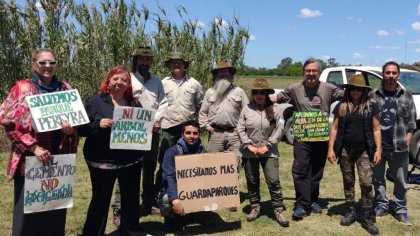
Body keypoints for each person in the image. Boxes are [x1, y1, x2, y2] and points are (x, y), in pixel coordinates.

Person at [0, 48, 78, 236]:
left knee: (55, 209)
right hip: (30, 159)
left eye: (52, 62)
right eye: (43, 62)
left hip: (58, 158)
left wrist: (70, 130)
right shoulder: (22, 89)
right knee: (28, 212)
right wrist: (33, 148)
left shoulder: (65, 88)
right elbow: (8, 122)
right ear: (34, 64)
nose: (48, 66)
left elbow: (76, 122)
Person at [272, 58, 343, 220]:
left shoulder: (329, 88)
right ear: (303, 72)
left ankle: (313, 200)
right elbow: (276, 98)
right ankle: (301, 204)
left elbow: (349, 95)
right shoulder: (294, 89)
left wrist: (369, 98)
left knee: (317, 170)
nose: (311, 73)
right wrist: (259, 101)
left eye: (314, 71)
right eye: (308, 71)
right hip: (302, 138)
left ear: (319, 72)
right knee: (300, 169)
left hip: (321, 137)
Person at [79, 66, 144, 236]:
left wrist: (151, 128)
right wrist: (97, 125)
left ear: (128, 84)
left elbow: (141, 128)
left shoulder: (134, 103)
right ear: (108, 81)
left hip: (130, 161)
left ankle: (130, 231)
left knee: (130, 199)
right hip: (102, 162)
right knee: (100, 201)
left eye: (124, 80)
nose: (119, 83)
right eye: (115, 79)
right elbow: (80, 129)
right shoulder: (96, 101)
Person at [111, 46, 167, 220]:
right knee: (126, 168)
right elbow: (119, 99)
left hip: (152, 132)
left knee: (149, 169)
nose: (145, 62)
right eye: (141, 59)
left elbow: (163, 102)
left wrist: (155, 121)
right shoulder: (127, 79)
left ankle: (147, 203)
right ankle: (119, 208)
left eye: (148, 59)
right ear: (135, 60)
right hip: (131, 132)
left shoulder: (157, 81)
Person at [327, 74, 381, 234]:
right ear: (348, 90)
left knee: (366, 183)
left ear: (364, 91)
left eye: (359, 89)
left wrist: (378, 149)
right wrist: (331, 149)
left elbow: (376, 129)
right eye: (352, 89)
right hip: (345, 150)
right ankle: (350, 211)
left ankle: (366, 215)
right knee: (348, 182)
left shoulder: (371, 106)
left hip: (364, 151)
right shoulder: (341, 106)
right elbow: (335, 129)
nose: (355, 92)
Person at [237, 78, 289, 227]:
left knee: (273, 181)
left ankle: (278, 209)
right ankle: (255, 207)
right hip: (249, 152)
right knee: (252, 181)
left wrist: (269, 145)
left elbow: (280, 128)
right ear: (253, 94)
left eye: (262, 92)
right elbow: (240, 129)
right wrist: (248, 145)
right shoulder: (246, 109)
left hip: (269, 151)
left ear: (266, 94)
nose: (259, 95)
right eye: (256, 92)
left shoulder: (276, 109)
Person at [370, 61, 417, 226]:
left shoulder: (407, 96)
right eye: (387, 73)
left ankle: (400, 209)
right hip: (378, 147)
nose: (390, 76)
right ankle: (381, 204)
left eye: (393, 73)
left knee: (401, 181)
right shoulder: (372, 95)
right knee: (378, 179)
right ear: (383, 74)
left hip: (399, 147)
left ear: (398, 75)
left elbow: (412, 124)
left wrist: (408, 140)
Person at [154, 52, 204, 196]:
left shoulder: (194, 83)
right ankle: (161, 192)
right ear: (169, 65)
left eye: (179, 62)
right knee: (165, 160)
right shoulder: (163, 83)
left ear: (184, 65)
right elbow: (157, 104)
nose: (176, 64)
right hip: (168, 128)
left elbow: (200, 104)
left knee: (189, 161)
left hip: (187, 130)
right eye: (173, 62)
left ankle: (190, 192)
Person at [161, 120, 206, 233]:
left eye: (195, 133)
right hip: (175, 187)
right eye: (188, 133)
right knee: (166, 198)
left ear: (199, 135)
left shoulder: (204, 153)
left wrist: (227, 200)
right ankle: (169, 219)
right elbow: (169, 177)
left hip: (194, 188)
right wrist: (175, 200)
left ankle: (191, 213)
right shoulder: (171, 152)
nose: (192, 136)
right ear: (182, 134)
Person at [199, 60, 249, 153]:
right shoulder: (210, 92)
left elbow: (247, 112)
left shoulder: (239, 92)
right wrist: (208, 128)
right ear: (216, 74)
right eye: (220, 71)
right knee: (214, 164)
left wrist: (240, 129)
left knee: (234, 164)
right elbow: (203, 113)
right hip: (215, 134)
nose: (223, 74)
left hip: (234, 134)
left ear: (231, 74)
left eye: (225, 71)